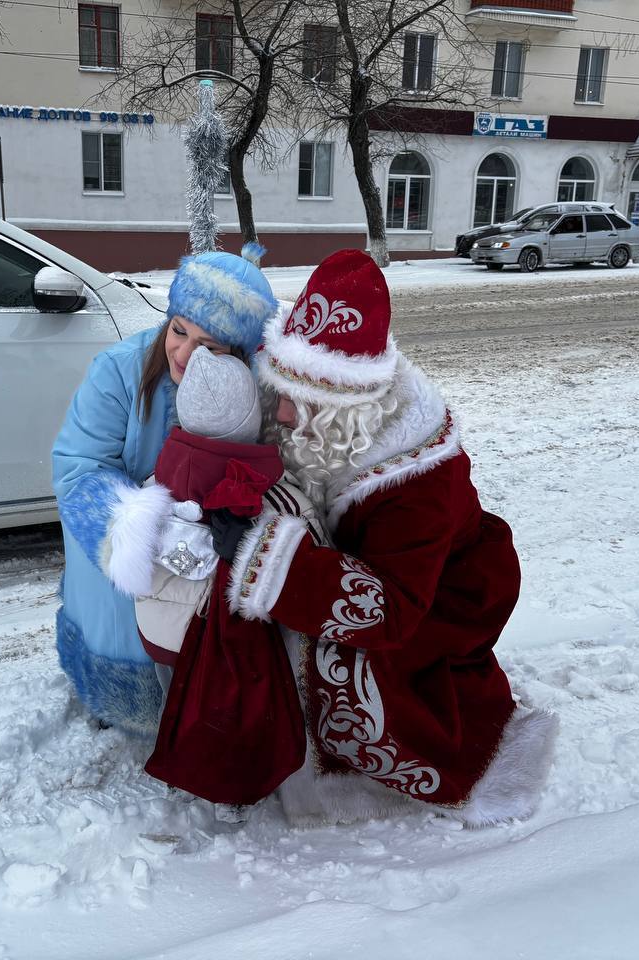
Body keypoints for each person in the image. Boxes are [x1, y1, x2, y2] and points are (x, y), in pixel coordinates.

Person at [223, 248, 558, 826]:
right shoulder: (334, 428)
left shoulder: (415, 479)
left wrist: (279, 562)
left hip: (440, 602)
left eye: (295, 404)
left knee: (333, 658)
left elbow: (393, 609)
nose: (277, 413)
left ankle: (348, 781)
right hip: (389, 574)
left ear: (343, 408)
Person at [52, 245, 278, 736]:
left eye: (211, 347)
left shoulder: (256, 389)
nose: (183, 353)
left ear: (241, 353)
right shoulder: (118, 370)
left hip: (207, 557)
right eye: (179, 331)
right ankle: (121, 697)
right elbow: (79, 468)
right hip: (124, 564)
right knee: (127, 645)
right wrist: (135, 528)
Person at [134, 346, 311, 805]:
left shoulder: (154, 483)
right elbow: (312, 553)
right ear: (252, 419)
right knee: (228, 710)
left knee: (179, 698)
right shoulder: (274, 494)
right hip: (228, 644)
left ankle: (181, 761)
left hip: (160, 636)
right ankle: (234, 791)